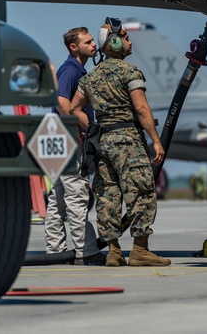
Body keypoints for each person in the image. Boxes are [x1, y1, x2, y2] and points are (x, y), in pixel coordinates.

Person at [69, 17, 170, 267]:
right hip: (128, 141)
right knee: (141, 192)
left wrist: (91, 128)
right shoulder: (130, 72)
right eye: (125, 37)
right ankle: (140, 250)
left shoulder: (90, 77)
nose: (129, 41)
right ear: (114, 42)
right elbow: (142, 109)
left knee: (108, 194)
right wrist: (156, 141)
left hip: (103, 142)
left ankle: (113, 251)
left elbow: (74, 108)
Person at [45, 26, 103, 264]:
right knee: (77, 195)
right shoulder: (71, 70)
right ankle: (85, 251)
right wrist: (82, 129)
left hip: (57, 137)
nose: (94, 45)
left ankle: (56, 250)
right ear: (74, 47)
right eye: (88, 42)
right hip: (68, 139)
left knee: (58, 198)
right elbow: (61, 102)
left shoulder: (75, 69)